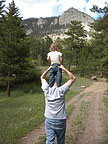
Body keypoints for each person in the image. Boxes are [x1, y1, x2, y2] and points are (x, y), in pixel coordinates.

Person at [41, 65, 76, 144]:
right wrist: (63, 68)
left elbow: (42, 77)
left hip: (49, 119)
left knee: (49, 140)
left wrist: (49, 68)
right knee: (61, 140)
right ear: (59, 80)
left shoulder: (47, 90)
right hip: (60, 120)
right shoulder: (61, 90)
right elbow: (73, 78)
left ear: (51, 80)